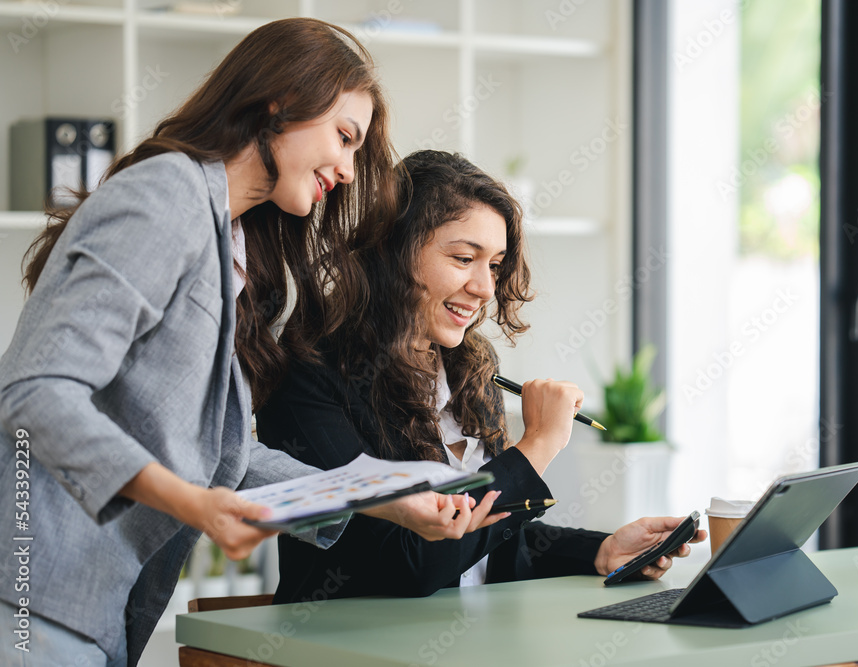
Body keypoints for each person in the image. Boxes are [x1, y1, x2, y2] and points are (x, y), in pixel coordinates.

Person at [0, 21, 498, 667]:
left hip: (86, 604)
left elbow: (220, 454)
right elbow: (35, 391)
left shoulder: (230, 244)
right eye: (344, 137)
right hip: (34, 592)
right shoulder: (166, 194)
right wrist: (192, 503)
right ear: (276, 105)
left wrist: (387, 501)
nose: (348, 171)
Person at [256, 150, 706, 603]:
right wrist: (537, 446)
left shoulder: (470, 369)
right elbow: (405, 564)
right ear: (391, 250)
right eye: (463, 258)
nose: (485, 288)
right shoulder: (308, 376)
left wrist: (601, 550)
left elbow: (486, 539)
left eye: (493, 264)